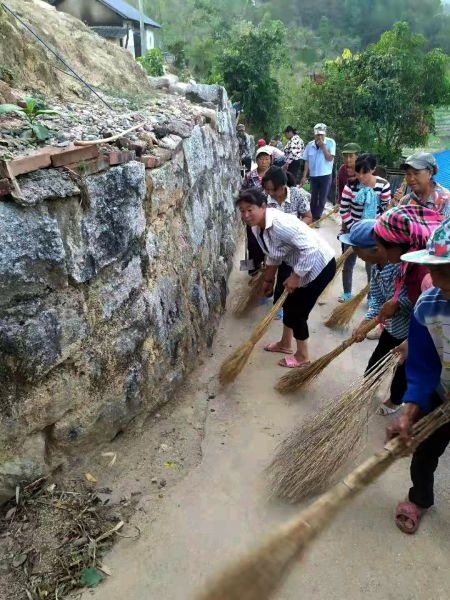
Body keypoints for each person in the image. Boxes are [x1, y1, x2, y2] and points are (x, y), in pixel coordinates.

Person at [386, 218, 450, 534]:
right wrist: (408, 411)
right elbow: (423, 365)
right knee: (424, 453)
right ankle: (420, 499)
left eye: (446, 271)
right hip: (442, 392)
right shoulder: (429, 305)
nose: (437, 280)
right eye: (434, 270)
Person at [236, 188, 336, 368]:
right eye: (242, 211)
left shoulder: (280, 224)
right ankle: (285, 344)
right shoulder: (257, 228)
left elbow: (311, 248)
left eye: (250, 209)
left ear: (263, 206)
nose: (246, 215)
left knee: (298, 312)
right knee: (288, 303)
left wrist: (296, 276)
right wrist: (268, 280)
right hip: (302, 265)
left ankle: (303, 356)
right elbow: (273, 254)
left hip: (320, 266)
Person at [341, 220, 413, 415]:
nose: (355, 253)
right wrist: (365, 323)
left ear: (376, 249)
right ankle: (368, 386)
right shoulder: (375, 268)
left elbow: (415, 300)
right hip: (390, 328)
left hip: (411, 333)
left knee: (402, 372)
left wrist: (397, 304)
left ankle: (395, 401)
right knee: (376, 361)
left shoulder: (401, 267)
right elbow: (377, 300)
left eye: (357, 250)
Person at [339, 153, 391, 303]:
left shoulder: (383, 185)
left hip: (375, 232)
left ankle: (371, 296)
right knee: (348, 262)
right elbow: (344, 209)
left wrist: (377, 230)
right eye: (358, 172)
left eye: (365, 172)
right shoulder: (350, 186)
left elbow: (385, 209)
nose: (361, 177)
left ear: (373, 169)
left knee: (372, 265)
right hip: (352, 231)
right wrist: (355, 229)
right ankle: (347, 293)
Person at [262, 166, 313, 320]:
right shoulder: (266, 200)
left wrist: (295, 231)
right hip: (274, 245)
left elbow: (308, 216)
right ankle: (269, 294)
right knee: (271, 270)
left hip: (294, 246)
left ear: (283, 185)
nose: (270, 193)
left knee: (285, 275)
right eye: (267, 189)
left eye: (273, 189)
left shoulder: (297, 195)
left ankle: (279, 304)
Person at [241, 148, 272, 276]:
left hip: (268, 214)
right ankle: (251, 270)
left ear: (270, 160)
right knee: (251, 241)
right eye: (261, 159)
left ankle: (266, 266)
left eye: (266, 159)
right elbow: (242, 192)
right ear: (256, 160)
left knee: (267, 240)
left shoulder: (273, 175)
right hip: (252, 214)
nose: (264, 161)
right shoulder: (249, 175)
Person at [301, 123, 336, 223]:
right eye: (317, 135)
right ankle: (312, 215)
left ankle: (317, 217)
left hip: (326, 174)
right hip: (314, 175)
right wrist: (304, 176)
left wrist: (323, 147)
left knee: (322, 198)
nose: (319, 137)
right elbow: (306, 161)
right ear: (314, 134)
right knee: (313, 197)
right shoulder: (309, 145)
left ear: (325, 134)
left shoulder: (330, 142)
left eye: (321, 135)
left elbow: (330, 158)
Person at [397, 152, 450, 216]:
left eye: (416, 173)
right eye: (408, 174)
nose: (411, 179)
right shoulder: (405, 201)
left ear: (430, 173)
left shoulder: (445, 200)